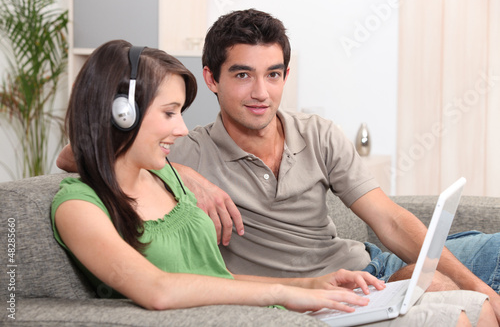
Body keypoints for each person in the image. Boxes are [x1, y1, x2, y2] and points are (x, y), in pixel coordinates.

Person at [55, 13, 498, 326]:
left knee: (481, 278)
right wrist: (182, 171)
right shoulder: (182, 151)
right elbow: (84, 150)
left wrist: (480, 284)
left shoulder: (316, 132)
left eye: (274, 74)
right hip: (320, 295)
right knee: (453, 297)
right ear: (212, 78)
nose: (261, 93)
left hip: (362, 265)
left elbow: (389, 219)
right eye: (243, 75)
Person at [51, 39, 392, 313]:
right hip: (254, 313)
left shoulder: (162, 178)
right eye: (169, 113)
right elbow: (158, 289)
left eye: (273, 75)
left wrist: (312, 286)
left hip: (264, 309)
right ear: (122, 115)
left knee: (441, 301)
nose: (182, 128)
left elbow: (219, 277)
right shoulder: (77, 206)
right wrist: (285, 293)